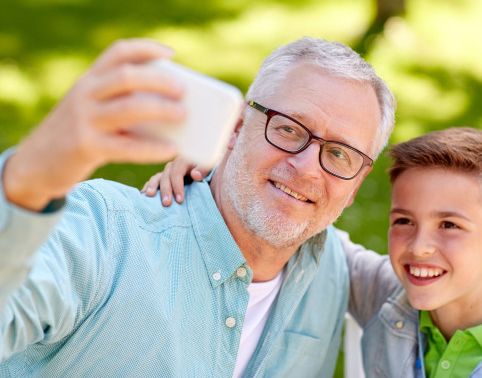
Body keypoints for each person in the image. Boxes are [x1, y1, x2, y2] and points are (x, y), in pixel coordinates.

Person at [0, 37, 397, 377]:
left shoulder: (333, 267)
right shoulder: (105, 234)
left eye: (340, 154)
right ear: (238, 127)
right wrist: (30, 180)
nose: (307, 168)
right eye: (288, 129)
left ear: (358, 182)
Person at [147, 127, 482, 377]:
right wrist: (232, 178)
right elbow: (313, 234)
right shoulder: (390, 297)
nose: (419, 247)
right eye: (404, 221)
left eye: (450, 226)